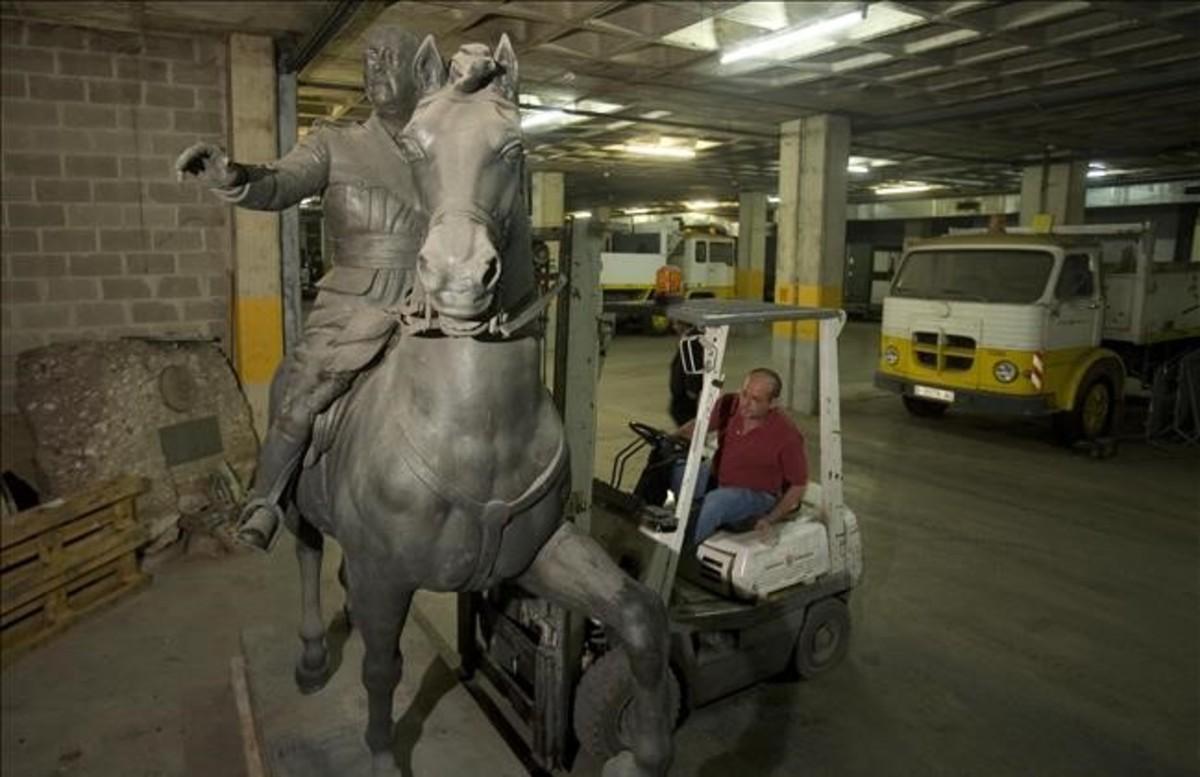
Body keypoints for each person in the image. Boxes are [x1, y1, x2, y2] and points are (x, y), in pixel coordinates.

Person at [175, 26, 426, 551]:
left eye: (389, 58)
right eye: (369, 59)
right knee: (305, 391)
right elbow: (279, 182)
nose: (374, 68)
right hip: (359, 300)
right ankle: (266, 498)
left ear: (422, 70)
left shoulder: (443, 148)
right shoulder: (337, 144)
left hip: (437, 296)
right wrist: (232, 174)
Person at [673, 367, 807, 546]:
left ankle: (676, 552)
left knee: (717, 502)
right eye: (744, 394)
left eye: (755, 400)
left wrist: (770, 519)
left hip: (757, 495)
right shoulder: (729, 404)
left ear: (773, 403)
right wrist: (671, 437)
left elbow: (798, 484)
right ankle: (661, 529)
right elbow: (699, 426)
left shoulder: (786, 435)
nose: (745, 403)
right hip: (719, 478)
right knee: (677, 471)